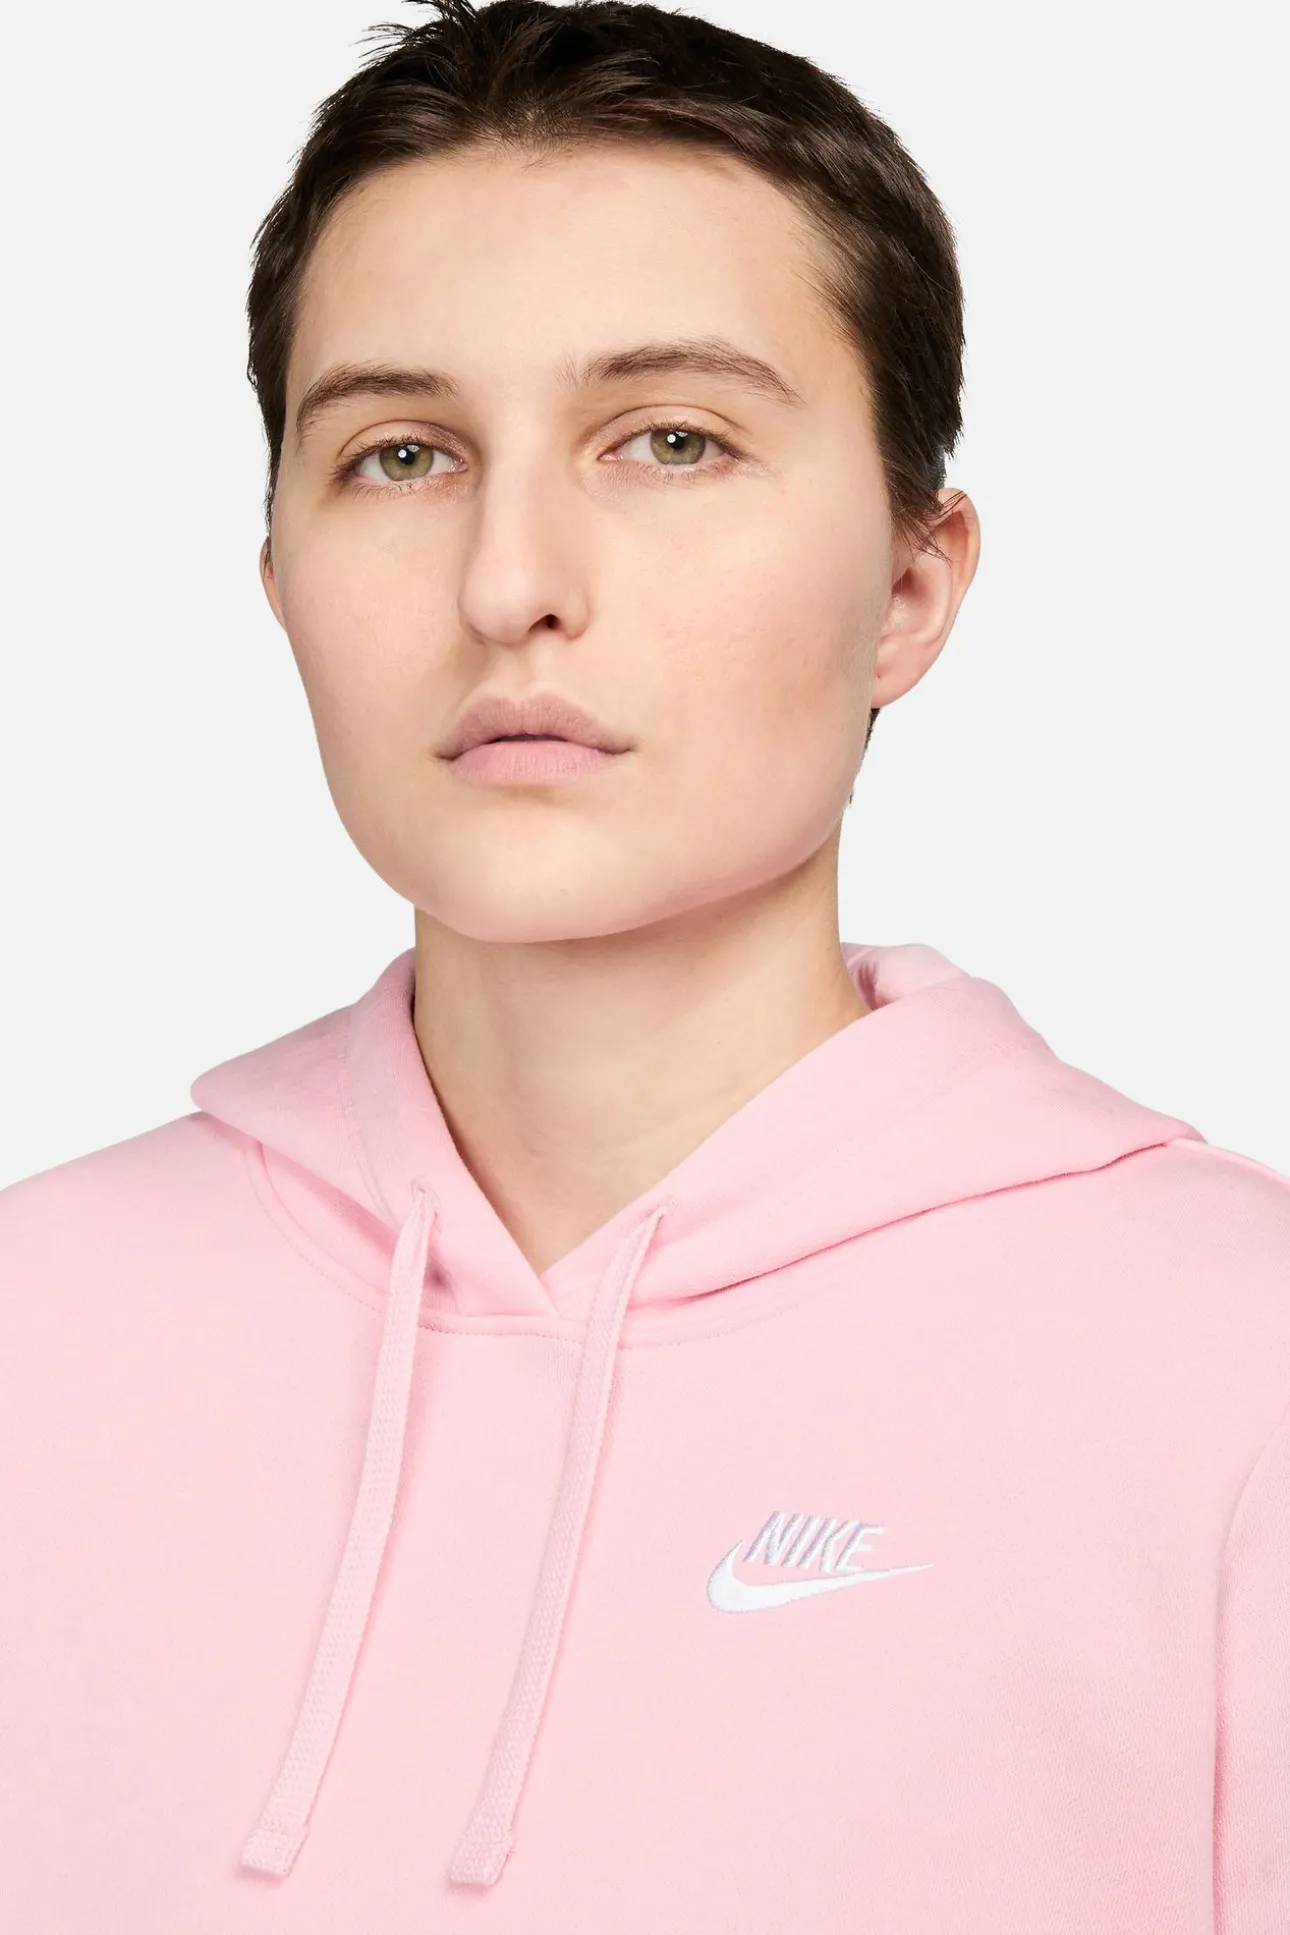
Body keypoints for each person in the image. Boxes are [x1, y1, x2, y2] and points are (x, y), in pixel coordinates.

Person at [1, 0, 1286, 1927]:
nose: (510, 580)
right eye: (400, 454)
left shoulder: (1236, 1360)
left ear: (909, 585)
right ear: (278, 581)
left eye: (671, 440)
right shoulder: (32, 1324)